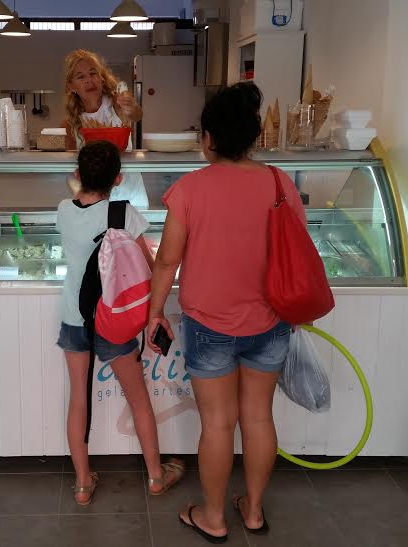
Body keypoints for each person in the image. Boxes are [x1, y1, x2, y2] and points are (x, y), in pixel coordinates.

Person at [146, 83, 307, 542]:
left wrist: (155, 312)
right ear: (252, 136)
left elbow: (167, 260)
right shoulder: (279, 182)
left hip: (209, 325)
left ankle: (213, 517)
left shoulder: (190, 188)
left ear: (210, 138)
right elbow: (296, 245)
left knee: (217, 423)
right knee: (258, 417)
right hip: (271, 321)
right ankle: (253, 512)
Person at [57, 140, 184, 506]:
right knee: (138, 398)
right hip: (113, 317)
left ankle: (83, 483)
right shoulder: (123, 212)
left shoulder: (64, 209)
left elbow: (79, 216)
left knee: (78, 399)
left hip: (74, 317)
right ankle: (156, 476)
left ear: (77, 174)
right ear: (119, 178)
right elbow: (148, 264)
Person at [62, 49, 149, 208]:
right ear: (71, 86)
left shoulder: (116, 103)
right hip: (95, 198)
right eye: (80, 77)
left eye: (93, 73)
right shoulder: (71, 122)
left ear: (101, 78)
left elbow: (137, 115)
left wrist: (131, 106)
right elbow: (70, 164)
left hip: (130, 191)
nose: (89, 80)